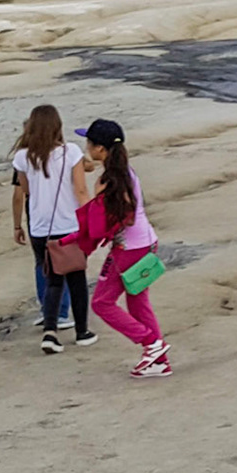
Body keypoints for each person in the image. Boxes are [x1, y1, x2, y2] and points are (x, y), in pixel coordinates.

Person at [72, 118, 168, 378]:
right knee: (138, 301)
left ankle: (151, 344)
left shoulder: (108, 180)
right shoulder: (126, 171)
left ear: (100, 149)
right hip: (147, 242)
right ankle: (159, 362)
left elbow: (116, 219)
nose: (86, 147)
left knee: (102, 303)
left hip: (129, 248)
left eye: (89, 142)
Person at [11, 104, 91, 352]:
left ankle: (50, 332)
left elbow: (26, 191)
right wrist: (90, 220)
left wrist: (18, 224)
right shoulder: (72, 152)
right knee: (77, 279)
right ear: (58, 126)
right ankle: (82, 332)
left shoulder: (22, 157)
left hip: (40, 227)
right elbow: (80, 190)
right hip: (68, 224)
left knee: (53, 280)